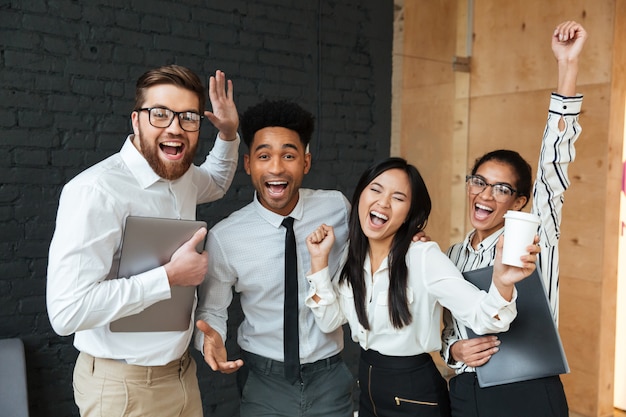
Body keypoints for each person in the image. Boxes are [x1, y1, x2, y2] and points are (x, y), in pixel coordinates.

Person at [46, 65, 240, 417]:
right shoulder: (95, 191)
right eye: (161, 114)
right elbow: (66, 311)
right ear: (136, 120)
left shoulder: (184, 177)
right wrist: (168, 277)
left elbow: (218, 180)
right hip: (122, 389)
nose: (175, 128)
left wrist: (227, 134)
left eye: (188, 117)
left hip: (181, 377)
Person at [304, 157, 540, 417]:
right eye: (376, 189)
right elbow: (328, 322)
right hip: (369, 388)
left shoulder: (423, 256)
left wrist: (502, 282)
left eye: (398, 198)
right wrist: (318, 262)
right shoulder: (352, 255)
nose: (383, 203)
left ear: (409, 213)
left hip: (414, 395)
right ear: (360, 195)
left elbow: (484, 317)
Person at [440, 20, 587, 417]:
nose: (485, 194)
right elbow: (448, 334)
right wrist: (455, 351)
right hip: (466, 393)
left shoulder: (536, 236)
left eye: (501, 189)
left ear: (521, 201)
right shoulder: (453, 254)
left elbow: (555, 164)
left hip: (527, 394)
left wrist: (567, 68)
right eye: (479, 182)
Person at [194, 99, 355, 417]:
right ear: (248, 164)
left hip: (330, 376)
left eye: (289, 155)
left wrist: (411, 238)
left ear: (306, 162)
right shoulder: (226, 238)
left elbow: (374, 248)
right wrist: (208, 340)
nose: (277, 168)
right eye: (264, 155)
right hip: (264, 380)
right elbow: (212, 309)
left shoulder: (337, 208)